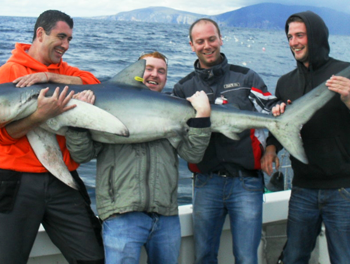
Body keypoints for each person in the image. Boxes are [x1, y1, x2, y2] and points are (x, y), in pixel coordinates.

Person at [65, 51, 212, 264]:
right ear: (137, 73)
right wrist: (78, 121)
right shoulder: (104, 105)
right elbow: (83, 155)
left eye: (161, 71)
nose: (154, 74)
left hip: (166, 216)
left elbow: (193, 155)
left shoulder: (175, 111)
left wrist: (202, 118)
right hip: (121, 215)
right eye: (149, 69)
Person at [0, 10, 104, 264]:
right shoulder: (8, 73)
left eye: (69, 39)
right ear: (40, 34)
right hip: (16, 181)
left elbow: (96, 84)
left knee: (93, 257)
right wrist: (39, 116)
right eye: (61, 37)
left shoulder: (64, 70)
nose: (66, 45)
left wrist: (50, 77)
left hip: (62, 178)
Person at [172, 18, 278, 264]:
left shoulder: (246, 78)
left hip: (246, 183)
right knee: (204, 256)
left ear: (220, 39)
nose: (207, 45)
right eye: (200, 41)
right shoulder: (183, 88)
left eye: (211, 39)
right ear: (192, 45)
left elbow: (272, 110)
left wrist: (271, 146)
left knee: (246, 257)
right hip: (205, 183)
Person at [260, 11, 350, 264]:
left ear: (317, 36)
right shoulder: (285, 82)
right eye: (290, 37)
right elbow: (280, 127)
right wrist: (270, 149)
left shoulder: (345, 73)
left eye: (300, 35)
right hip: (302, 188)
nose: (294, 42)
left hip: (343, 188)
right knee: (294, 257)